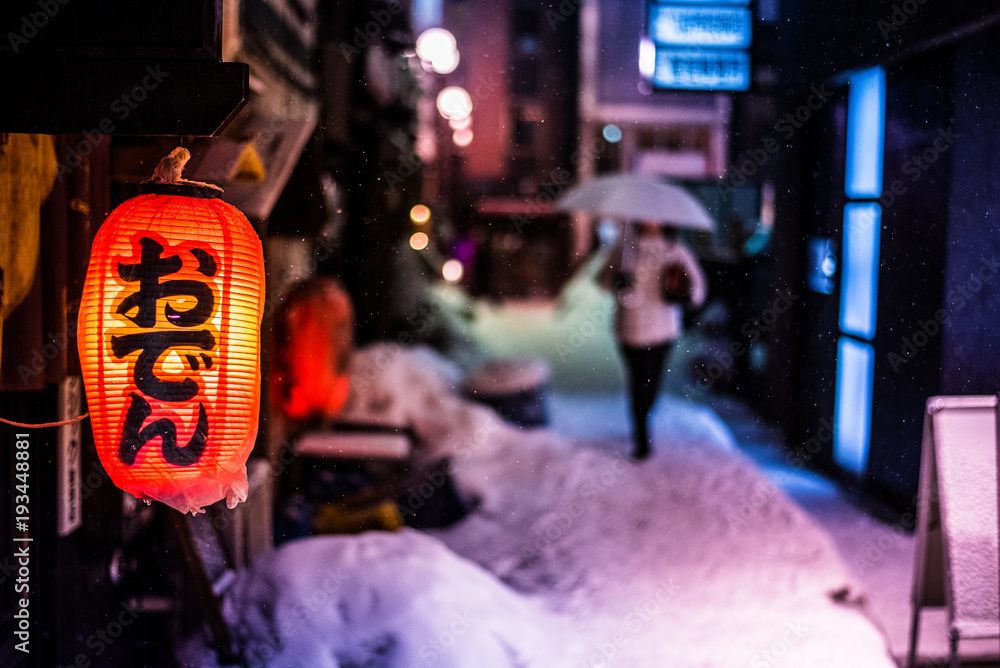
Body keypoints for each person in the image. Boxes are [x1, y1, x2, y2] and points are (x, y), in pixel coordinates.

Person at [598, 222, 707, 460]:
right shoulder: (626, 249)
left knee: (651, 384)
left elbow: (698, 290)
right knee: (639, 383)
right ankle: (641, 435)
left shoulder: (674, 249)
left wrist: (681, 291)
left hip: (663, 331)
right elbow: (602, 280)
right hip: (631, 330)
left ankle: (643, 419)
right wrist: (617, 280)